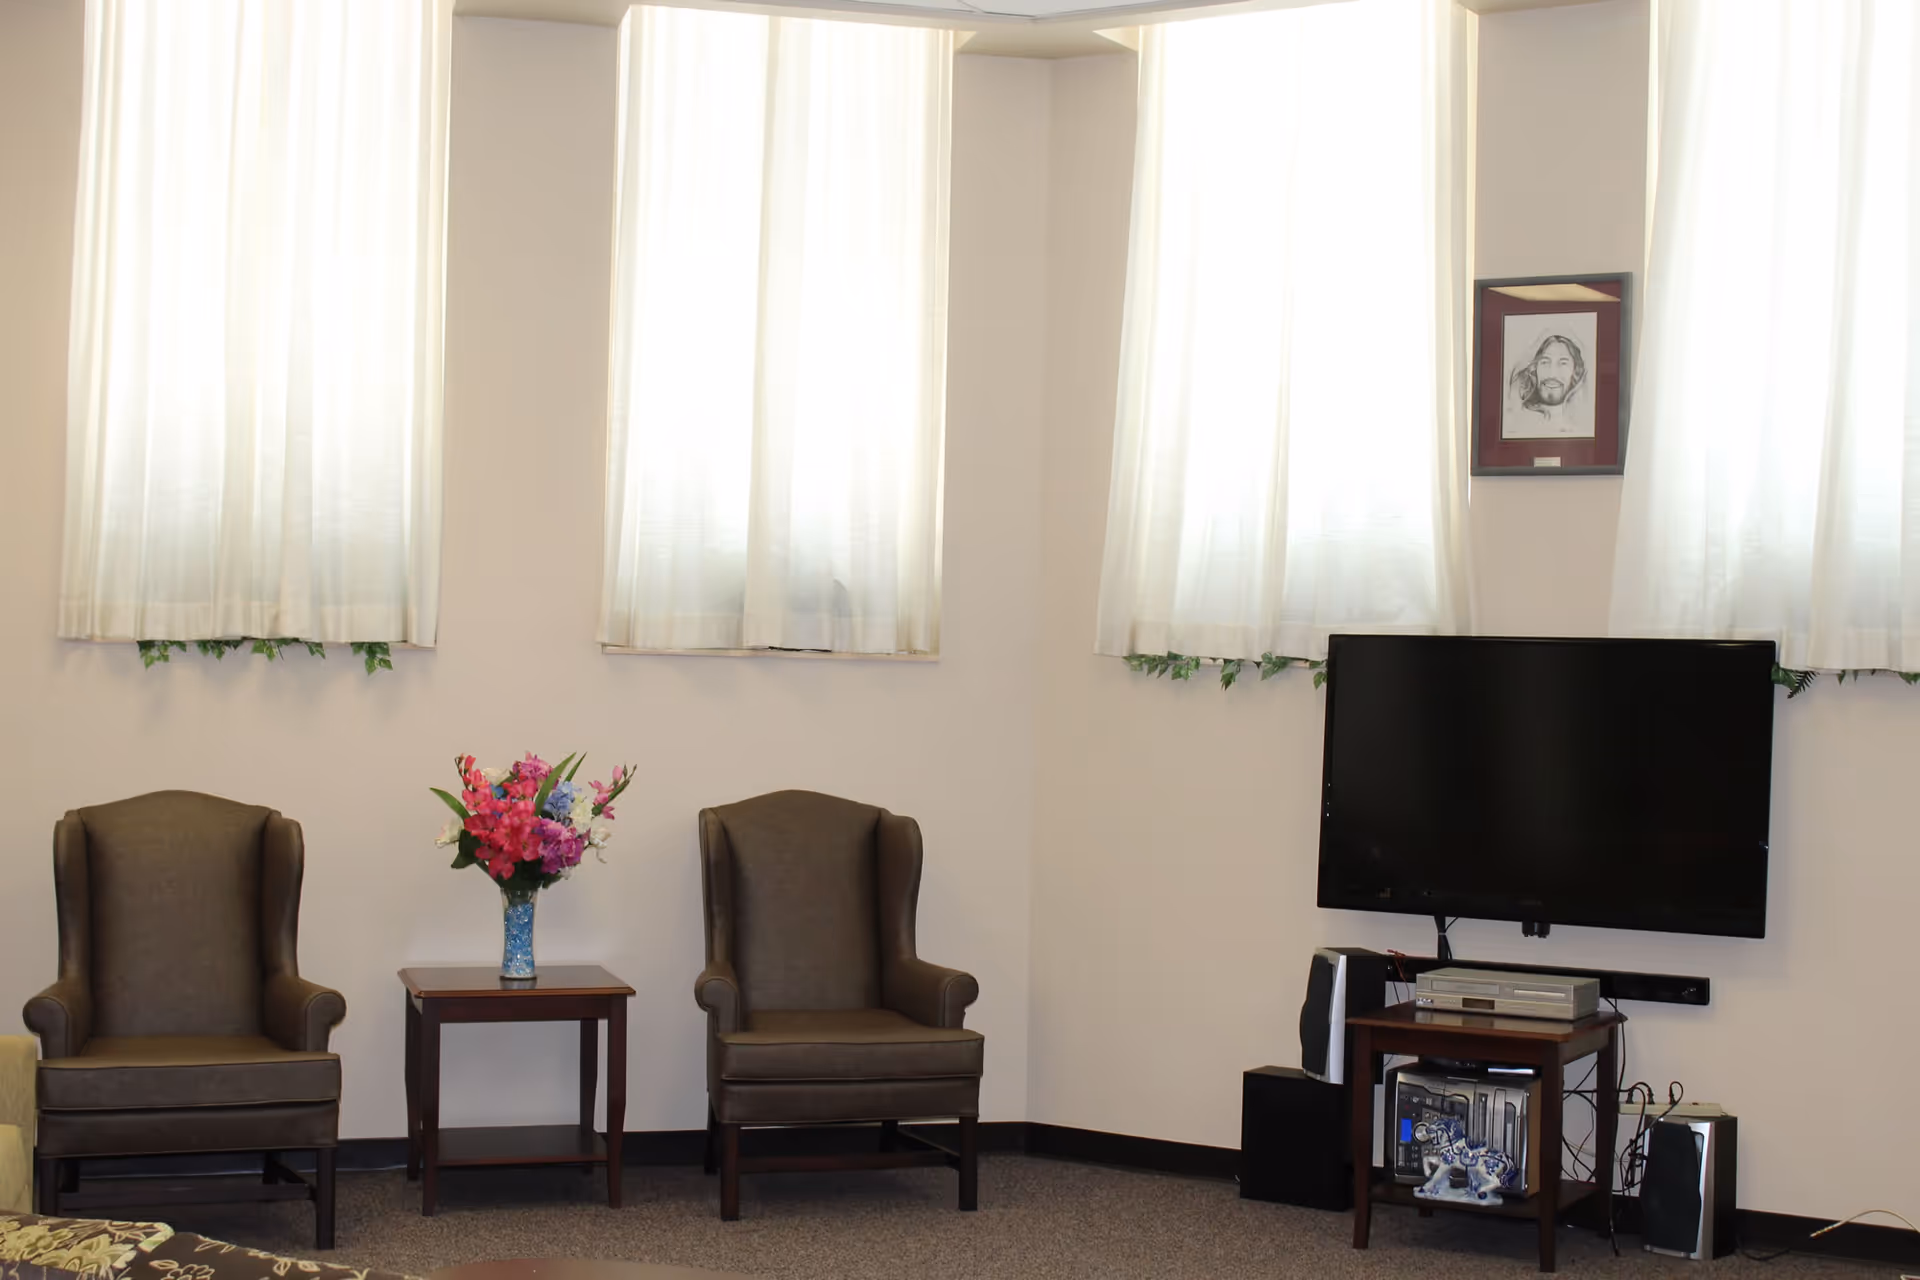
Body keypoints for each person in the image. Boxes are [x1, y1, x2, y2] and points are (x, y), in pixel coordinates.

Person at [1507, 333, 1587, 434]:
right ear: (1534, 369)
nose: (1552, 374)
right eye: (1545, 362)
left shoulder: (1581, 427)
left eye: (1563, 363)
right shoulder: (1515, 421)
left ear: (1575, 371)